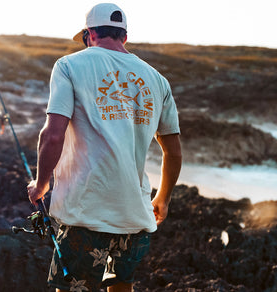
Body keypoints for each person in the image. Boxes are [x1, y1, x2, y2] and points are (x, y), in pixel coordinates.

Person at [27, 3, 182, 291]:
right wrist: (163, 198)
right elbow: (172, 151)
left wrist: (41, 184)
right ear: (124, 36)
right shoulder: (158, 79)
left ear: (89, 34)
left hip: (85, 211)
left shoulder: (69, 65)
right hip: (135, 213)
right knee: (122, 288)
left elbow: (52, 136)